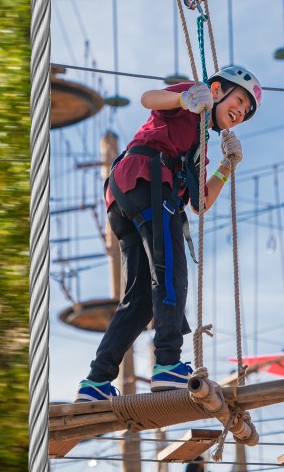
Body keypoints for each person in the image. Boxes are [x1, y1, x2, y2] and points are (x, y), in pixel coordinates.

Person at [75, 66, 262, 400]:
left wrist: (226, 166)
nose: (240, 112)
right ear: (217, 89)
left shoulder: (200, 143)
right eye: (239, 100)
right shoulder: (193, 99)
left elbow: (200, 203)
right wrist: (184, 98)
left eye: (246, 112)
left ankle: (96, 381)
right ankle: (168, 363)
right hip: (146, 180)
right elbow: (149, 98)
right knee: (172, 272)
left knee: (141, 300)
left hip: (128, 195)